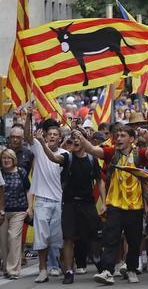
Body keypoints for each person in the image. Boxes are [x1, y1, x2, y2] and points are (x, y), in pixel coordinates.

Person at [76, 120, 148, 285]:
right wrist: (81, 137)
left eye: (123, 135)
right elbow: (92, 149)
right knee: (111, 239)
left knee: (134, 241)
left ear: (131, 139)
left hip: (135, 206)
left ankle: (131, 269)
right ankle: (108, 271)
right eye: (117, 135)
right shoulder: (110, 152)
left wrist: (147, 137)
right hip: (114, 205)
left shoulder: (139, 154)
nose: (119, 138)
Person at [37, 128, 104, 285]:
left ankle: (96, 257)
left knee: (94, 237)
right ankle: (68, 271)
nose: (75, 141)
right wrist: (41, 142)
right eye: (73, 138)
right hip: (69, 204)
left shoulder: (92, 160)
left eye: (79, 138)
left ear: (85, 141)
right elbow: (53, 157)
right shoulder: (67, 158)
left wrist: (105, 202)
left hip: (88, 204)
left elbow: (99, 181)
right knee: (68, 238)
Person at [23, 115, 67, 283]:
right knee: (41, 237)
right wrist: (28, 117)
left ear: (60, 138)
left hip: (58, 200)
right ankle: (43, 270)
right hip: (41, 200)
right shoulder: (38, 147)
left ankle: (58, 265)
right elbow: (27, 136)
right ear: (45, 135)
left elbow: (54, 158)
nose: (52, 136)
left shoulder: (65, 154)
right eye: (50, 133)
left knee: (57, 237)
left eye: (56, 134)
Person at [0, 149, 27, 280]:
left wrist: (30, 207)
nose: (6, 160)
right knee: (3, 241)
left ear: (13, 159)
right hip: (3, 211)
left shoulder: (21, 172)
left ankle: (13, 270)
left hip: (18, 210)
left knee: (13, 238)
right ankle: (6, 267)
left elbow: (28, 189)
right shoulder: (0, 173)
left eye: (8, 158)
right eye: (4, 158)